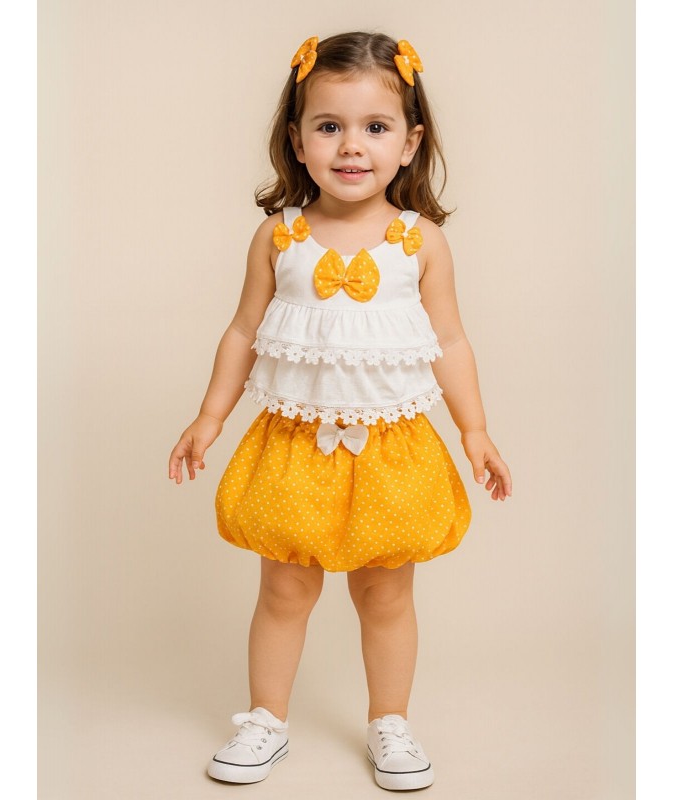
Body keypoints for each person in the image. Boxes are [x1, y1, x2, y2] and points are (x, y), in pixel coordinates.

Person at [168, 31, 512, 791]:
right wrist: (209, 417)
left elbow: (451, 339)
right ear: (297, 140)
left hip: (391, 447)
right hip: (296, 442)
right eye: (329, 126)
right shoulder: (279, 236)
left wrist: (475, 430)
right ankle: (266, 721)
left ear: (410, 143)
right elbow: (243, 331)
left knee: (385, 593)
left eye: (375, 127)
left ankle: (391, 722)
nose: (352, 146)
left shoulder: (419, 243)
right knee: (284, 589)